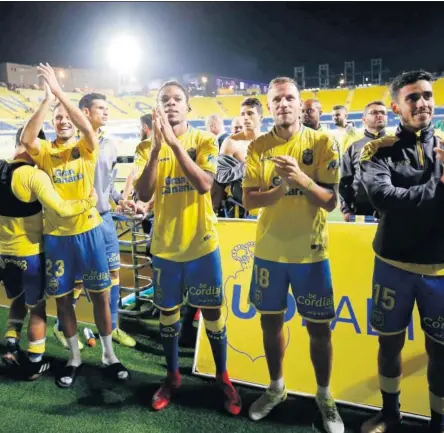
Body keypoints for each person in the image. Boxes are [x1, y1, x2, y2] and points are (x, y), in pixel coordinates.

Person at [359, 71, 444, 433]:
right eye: (412, 98)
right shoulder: (377, 150)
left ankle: (440, 425)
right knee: (389, 343)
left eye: (427, 95)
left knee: (441, 351)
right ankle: (390, 414)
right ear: (397, 106)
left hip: (443, 267)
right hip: (393, 264)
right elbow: (386, 201)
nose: (422, 103)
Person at [242, 76, 344, 433]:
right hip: (270, 251)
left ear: (300, 104)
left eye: (289, 98)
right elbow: (249, 200)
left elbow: (331, 201)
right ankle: (276, 387)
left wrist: (301, 180)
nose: (283, 104)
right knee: (270, 323)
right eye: (276, 100)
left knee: (319, 329)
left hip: (311, 253)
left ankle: (325, 398)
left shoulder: (322, 141)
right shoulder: (257, 147)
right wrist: (280, 189)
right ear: (269, 107)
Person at [134, 80, 241, 415]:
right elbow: (142, 193)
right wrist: (155, 148)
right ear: (157, 107)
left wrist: (174, 146)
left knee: (212, 313)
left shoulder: (204, 140)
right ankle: (172, 377)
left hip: (201, 245)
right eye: (164, 100)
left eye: (177, 99)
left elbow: (205, 184)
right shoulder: (145, 147)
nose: (171, 104)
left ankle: (222, 377)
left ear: (187, 107)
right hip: (165, 248)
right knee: (168, 316)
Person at [20, 63, 129, 388]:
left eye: (67, 117)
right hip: (57, 238)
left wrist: (61, 95)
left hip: (90, 233)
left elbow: (86, 126)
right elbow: (28, 138)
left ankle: (109, 355)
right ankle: (74, 357)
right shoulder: (46, 151)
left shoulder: (86, 146)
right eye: (58, 118)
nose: (64, 120)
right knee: (63, 300)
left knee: (100, 296)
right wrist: (45, 101)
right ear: (52, 124)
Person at [0, 126, 98, 380]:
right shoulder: (33, 176)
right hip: (30, 254)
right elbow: (63, 209)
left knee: (17, 299)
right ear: (35, 146)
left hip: (4, 253)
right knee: (38, 309)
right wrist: (89, 202)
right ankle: (34, 363)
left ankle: (11, 347)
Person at [78, 92, 138, 347]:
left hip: (105, 218)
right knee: (79, 277)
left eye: (106, 108)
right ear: (85, 112)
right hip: (81, 220)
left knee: (114, 273)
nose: (106, 112)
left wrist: (119, 199)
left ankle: (112, 327)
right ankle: (61, 327)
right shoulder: (73, 144)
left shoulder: (111, 145)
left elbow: (109, 183)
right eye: (100, 108)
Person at [339, 101, 388, 222]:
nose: (379, 115)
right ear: (364, 119)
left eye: (383, 112)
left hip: (392, 211)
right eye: (374, 112)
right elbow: (345, 181)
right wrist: (346, 209)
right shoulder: (353, 148)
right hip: (361, 211)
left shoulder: (398, 144)